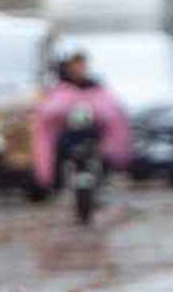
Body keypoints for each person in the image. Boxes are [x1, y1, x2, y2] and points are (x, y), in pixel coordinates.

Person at [30, 42, 132, 192]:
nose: (79, 68)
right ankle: (54, 180)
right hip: (67, 135)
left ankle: (106, 172)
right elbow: (47, 113)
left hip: (93, 133)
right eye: (75, 64)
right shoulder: (58, 89)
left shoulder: (95, 87)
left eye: (81, 64)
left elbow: (111, 112)